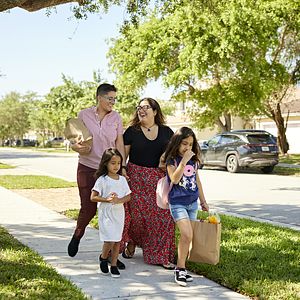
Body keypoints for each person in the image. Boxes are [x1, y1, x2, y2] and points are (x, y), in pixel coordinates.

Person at [67, 83, 127, 271]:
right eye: (110, 98)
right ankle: (77, 235)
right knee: (88, 208)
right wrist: (75, 146)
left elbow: (119, 142)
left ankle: (109, 255)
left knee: (111, 210)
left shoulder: (116, 117)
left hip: (108, 171)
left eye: (114, 99)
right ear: (99, 98)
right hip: (86, 167)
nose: (113, 102)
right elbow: (76, 139)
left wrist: (122, 166)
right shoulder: (84, 115)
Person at [120, 97, 175, 269]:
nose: (141, 110)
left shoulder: (167, 132)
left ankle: (161, 254)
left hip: (158, 180)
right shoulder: (131, 131)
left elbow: (174, 152)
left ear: (155, 111)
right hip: (135, 178)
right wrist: (122, 170)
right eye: (139, 107)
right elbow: (124, 156)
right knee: (136, 218)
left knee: (162, 216)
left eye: (146, 107)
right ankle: (132, 242)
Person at [163, 126, 209, 286]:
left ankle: (181, 268)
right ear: (177, 143)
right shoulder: (171, 160)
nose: (187, 148)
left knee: (187, 238)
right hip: (177, 203)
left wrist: (203, 201)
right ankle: (180, 268)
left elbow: (197, 181)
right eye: (184, 144)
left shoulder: (194, 161)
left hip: (192, 203)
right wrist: (183, 161)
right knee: (187, 234)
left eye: (190, 144)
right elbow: (174, 179)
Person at [90, 148, 131, 278]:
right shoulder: (102, 180)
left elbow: (128, 196)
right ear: (106, 163)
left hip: (118, 213)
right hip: (106, 214)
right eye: (113, 163)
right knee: (109, 240)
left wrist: (119, 200)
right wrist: (106, 199)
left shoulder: (122, 180)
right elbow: (93, 197)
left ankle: (113, 265)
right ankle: (103, 257)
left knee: (117, 240)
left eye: (118, 163)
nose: (116, 166)